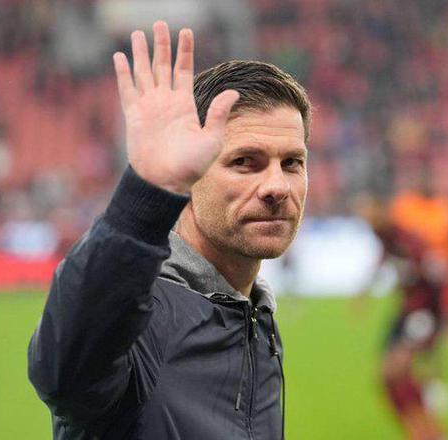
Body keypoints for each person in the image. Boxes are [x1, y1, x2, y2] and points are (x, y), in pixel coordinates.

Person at [27, 21, 311, 439]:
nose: (277, 186)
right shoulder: (140, 318)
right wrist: (148, 192)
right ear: (191, 174)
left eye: (292, 163)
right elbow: (64, 377)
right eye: (244, 162)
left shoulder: (255, 316)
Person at [356, 194, 446, 440]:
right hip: (406, 312)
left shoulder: (411, 241)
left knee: (398, 371)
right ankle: (419, 429)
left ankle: (430, 430)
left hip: (422, 314)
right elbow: (384, 257)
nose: (367, 223)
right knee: (385, 377)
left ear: (381, 211)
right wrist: (365, 291)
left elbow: (438, 279)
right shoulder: (386, 237)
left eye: (369, 216)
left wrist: (439, 323)